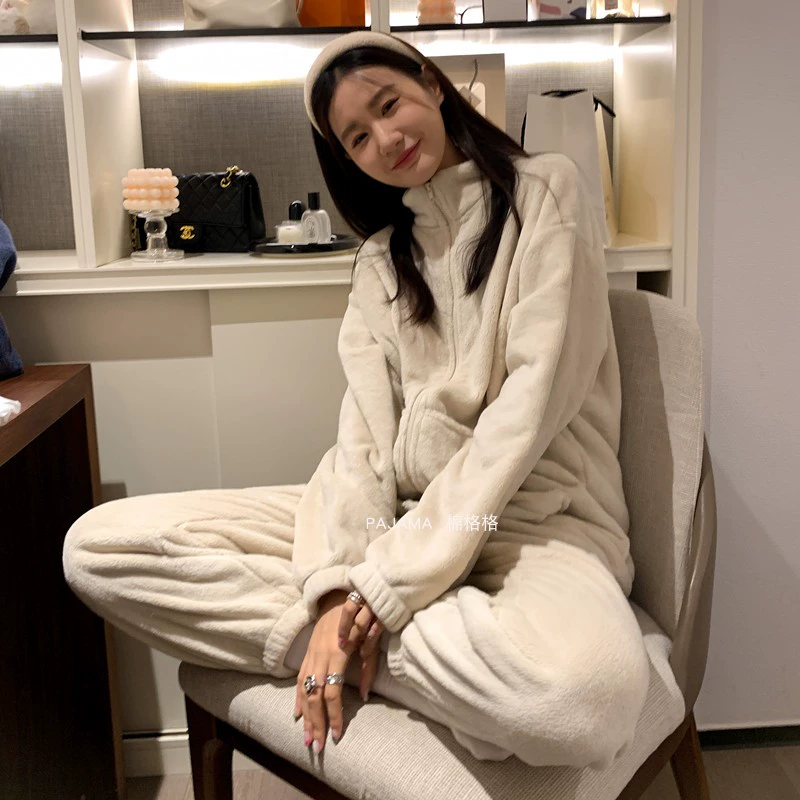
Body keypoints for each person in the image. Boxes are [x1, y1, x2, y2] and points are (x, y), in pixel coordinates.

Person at [62, 31, 651, 770]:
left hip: (534, 525)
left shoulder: (546, 193)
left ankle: (350, 650)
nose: (386, 140)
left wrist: (381, 588)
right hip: (390, 523)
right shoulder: (378, 263)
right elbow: (364, 442)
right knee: (98, 548)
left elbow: (524, 416)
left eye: (389, 105)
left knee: (580, 704)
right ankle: (355, 638)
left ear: (431, 83)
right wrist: (342, 583)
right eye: (358, 137)